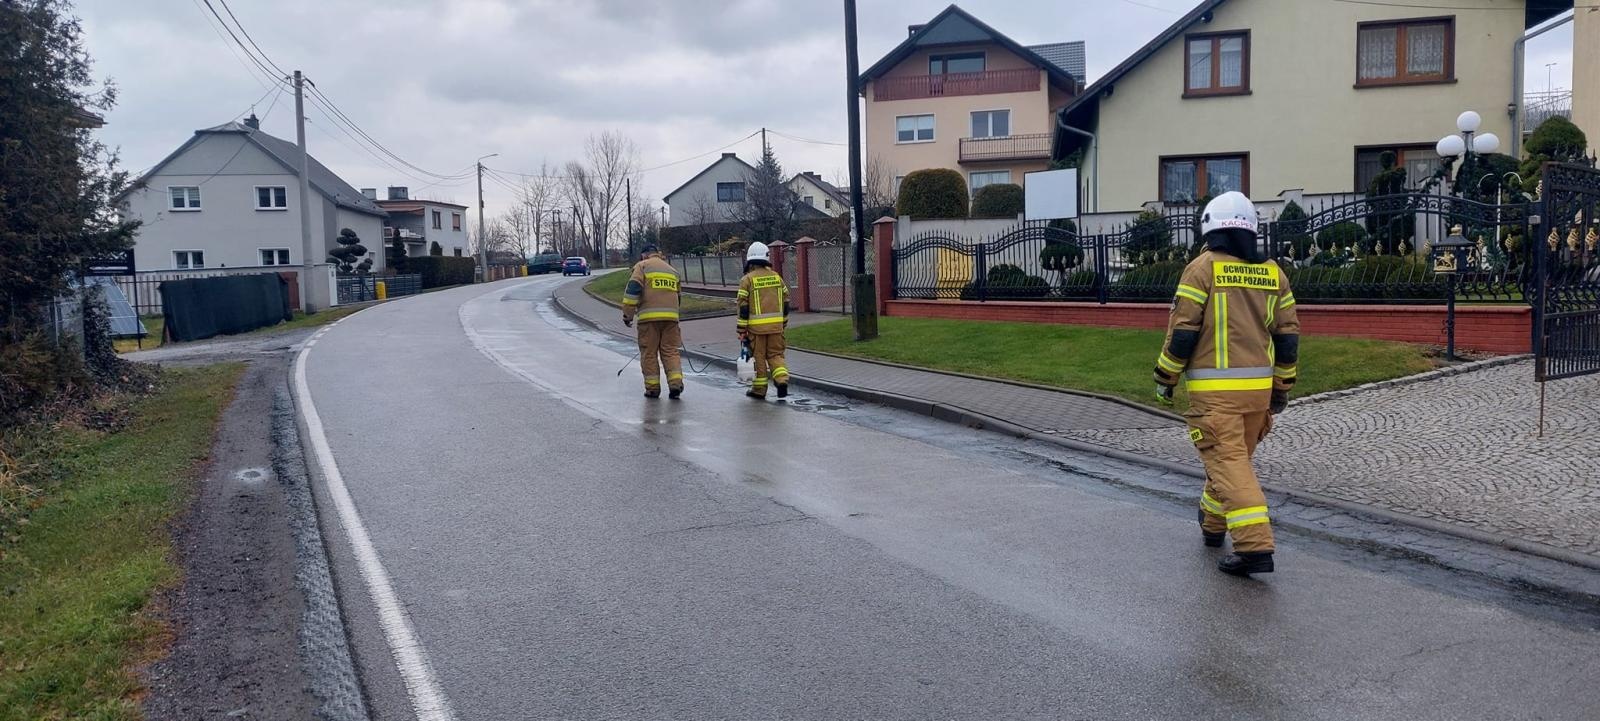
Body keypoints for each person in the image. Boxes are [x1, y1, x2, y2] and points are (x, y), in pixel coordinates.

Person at [1153, 191, 1300, 577]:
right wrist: (1282, 387)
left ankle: (1254, 546)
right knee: (1230, 461)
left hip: (1215, 397)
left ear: (1210, 229)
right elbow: (1288, 337)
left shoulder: (1202, 269)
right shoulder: (1274, 273)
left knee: (1230, 465)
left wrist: (1165, 376)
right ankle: (1212, 524)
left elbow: (1183, 332)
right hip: (1258, 396)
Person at [622, 244, 684, 399]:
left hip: (648, 319)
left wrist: (628, 315)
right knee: (670, 351)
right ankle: (675, 384)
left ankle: (653, 389)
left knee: (649, 353)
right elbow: (678, 296)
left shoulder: (642, 266)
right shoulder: (672, 270)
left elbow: (633, 290)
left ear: (644, 255)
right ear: (657, 254)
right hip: (671, 319)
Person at [736, 241, 791, 400]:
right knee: (776, 355)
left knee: (758, 358)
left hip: (756, 330)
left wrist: (741, 330)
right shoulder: (777, 277)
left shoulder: (747, 280)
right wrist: (783, 323)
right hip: (776, 328)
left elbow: (743, 307)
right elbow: (786, 302)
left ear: (750, 260)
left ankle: (759, 390)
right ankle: (781, 380)